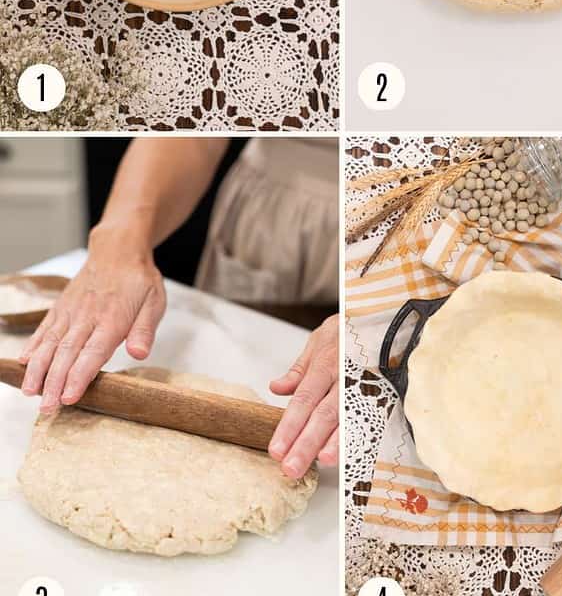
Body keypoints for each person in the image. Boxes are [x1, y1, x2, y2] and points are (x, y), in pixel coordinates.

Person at [19, 137, 339, 480]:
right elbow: (193, 124)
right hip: (274, 219)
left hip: (402, 244)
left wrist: (387, 313)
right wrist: (119, 241)